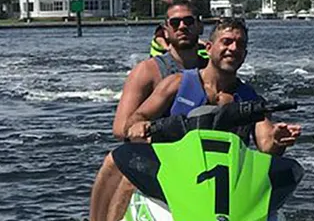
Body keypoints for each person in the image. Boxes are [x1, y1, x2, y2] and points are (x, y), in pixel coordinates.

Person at [87, 0, 208, 221]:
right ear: (166, 30)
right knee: (114, 162)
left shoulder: (212, 69)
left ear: (200, 26)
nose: (182, 26)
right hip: (159, 153)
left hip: (201, 156)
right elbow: (120, 128)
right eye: (175, 22)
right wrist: (149, 128)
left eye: (188, 21)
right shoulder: (148, 71)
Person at [124, 17, 301, 156]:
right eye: (226, 41)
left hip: (225, 183)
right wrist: (138, 126)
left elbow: (266, 144)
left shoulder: (251, 99)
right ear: (208, 48)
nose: (233, 48)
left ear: (245, 55)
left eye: (240, 45)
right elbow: (137, 117)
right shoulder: (176, 84)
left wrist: (277, 141)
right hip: (173, 175)